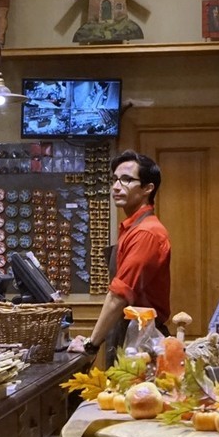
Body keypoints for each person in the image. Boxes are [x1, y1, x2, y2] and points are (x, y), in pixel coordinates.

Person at [68, 150, 171, 361]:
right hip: (127, 334)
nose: (116, 186)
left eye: (126, 180)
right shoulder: (132, 228)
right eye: (114, 180)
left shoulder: (146, 232)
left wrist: (91, 344)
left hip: (140, 342)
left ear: (148, 188)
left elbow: (118, 296)